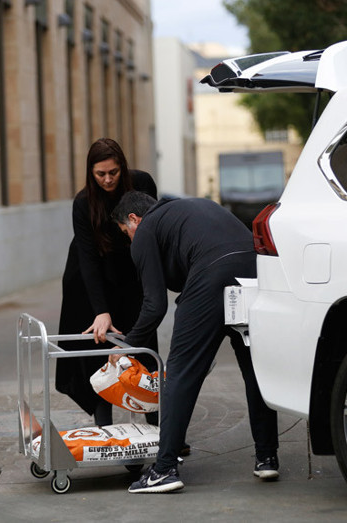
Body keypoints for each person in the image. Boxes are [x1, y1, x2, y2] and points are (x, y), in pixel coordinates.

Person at [110, 191, 279, 493]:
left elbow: (154, 305)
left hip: (211, 273)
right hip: (253, 270)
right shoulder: (190, 207)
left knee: (180, 372)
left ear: (134, 219)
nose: (130, 240)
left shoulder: (146, 229)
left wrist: (128, 345)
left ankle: (164, 469)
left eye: (126, 232)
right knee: (255, 368)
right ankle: (267, 457)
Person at [55, 138, 158, 427]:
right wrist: (101, 310)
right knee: (100, 347)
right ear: (91, 172)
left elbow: (151, 233)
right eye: (100, 174)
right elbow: (87, 259)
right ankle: (104, 428)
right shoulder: (83, 202)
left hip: (132, 271)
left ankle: (160, 428)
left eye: (113, 172)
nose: (108, 179)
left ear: (122, 167)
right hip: (91, 276)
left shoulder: (142, 183)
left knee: (143, 344)